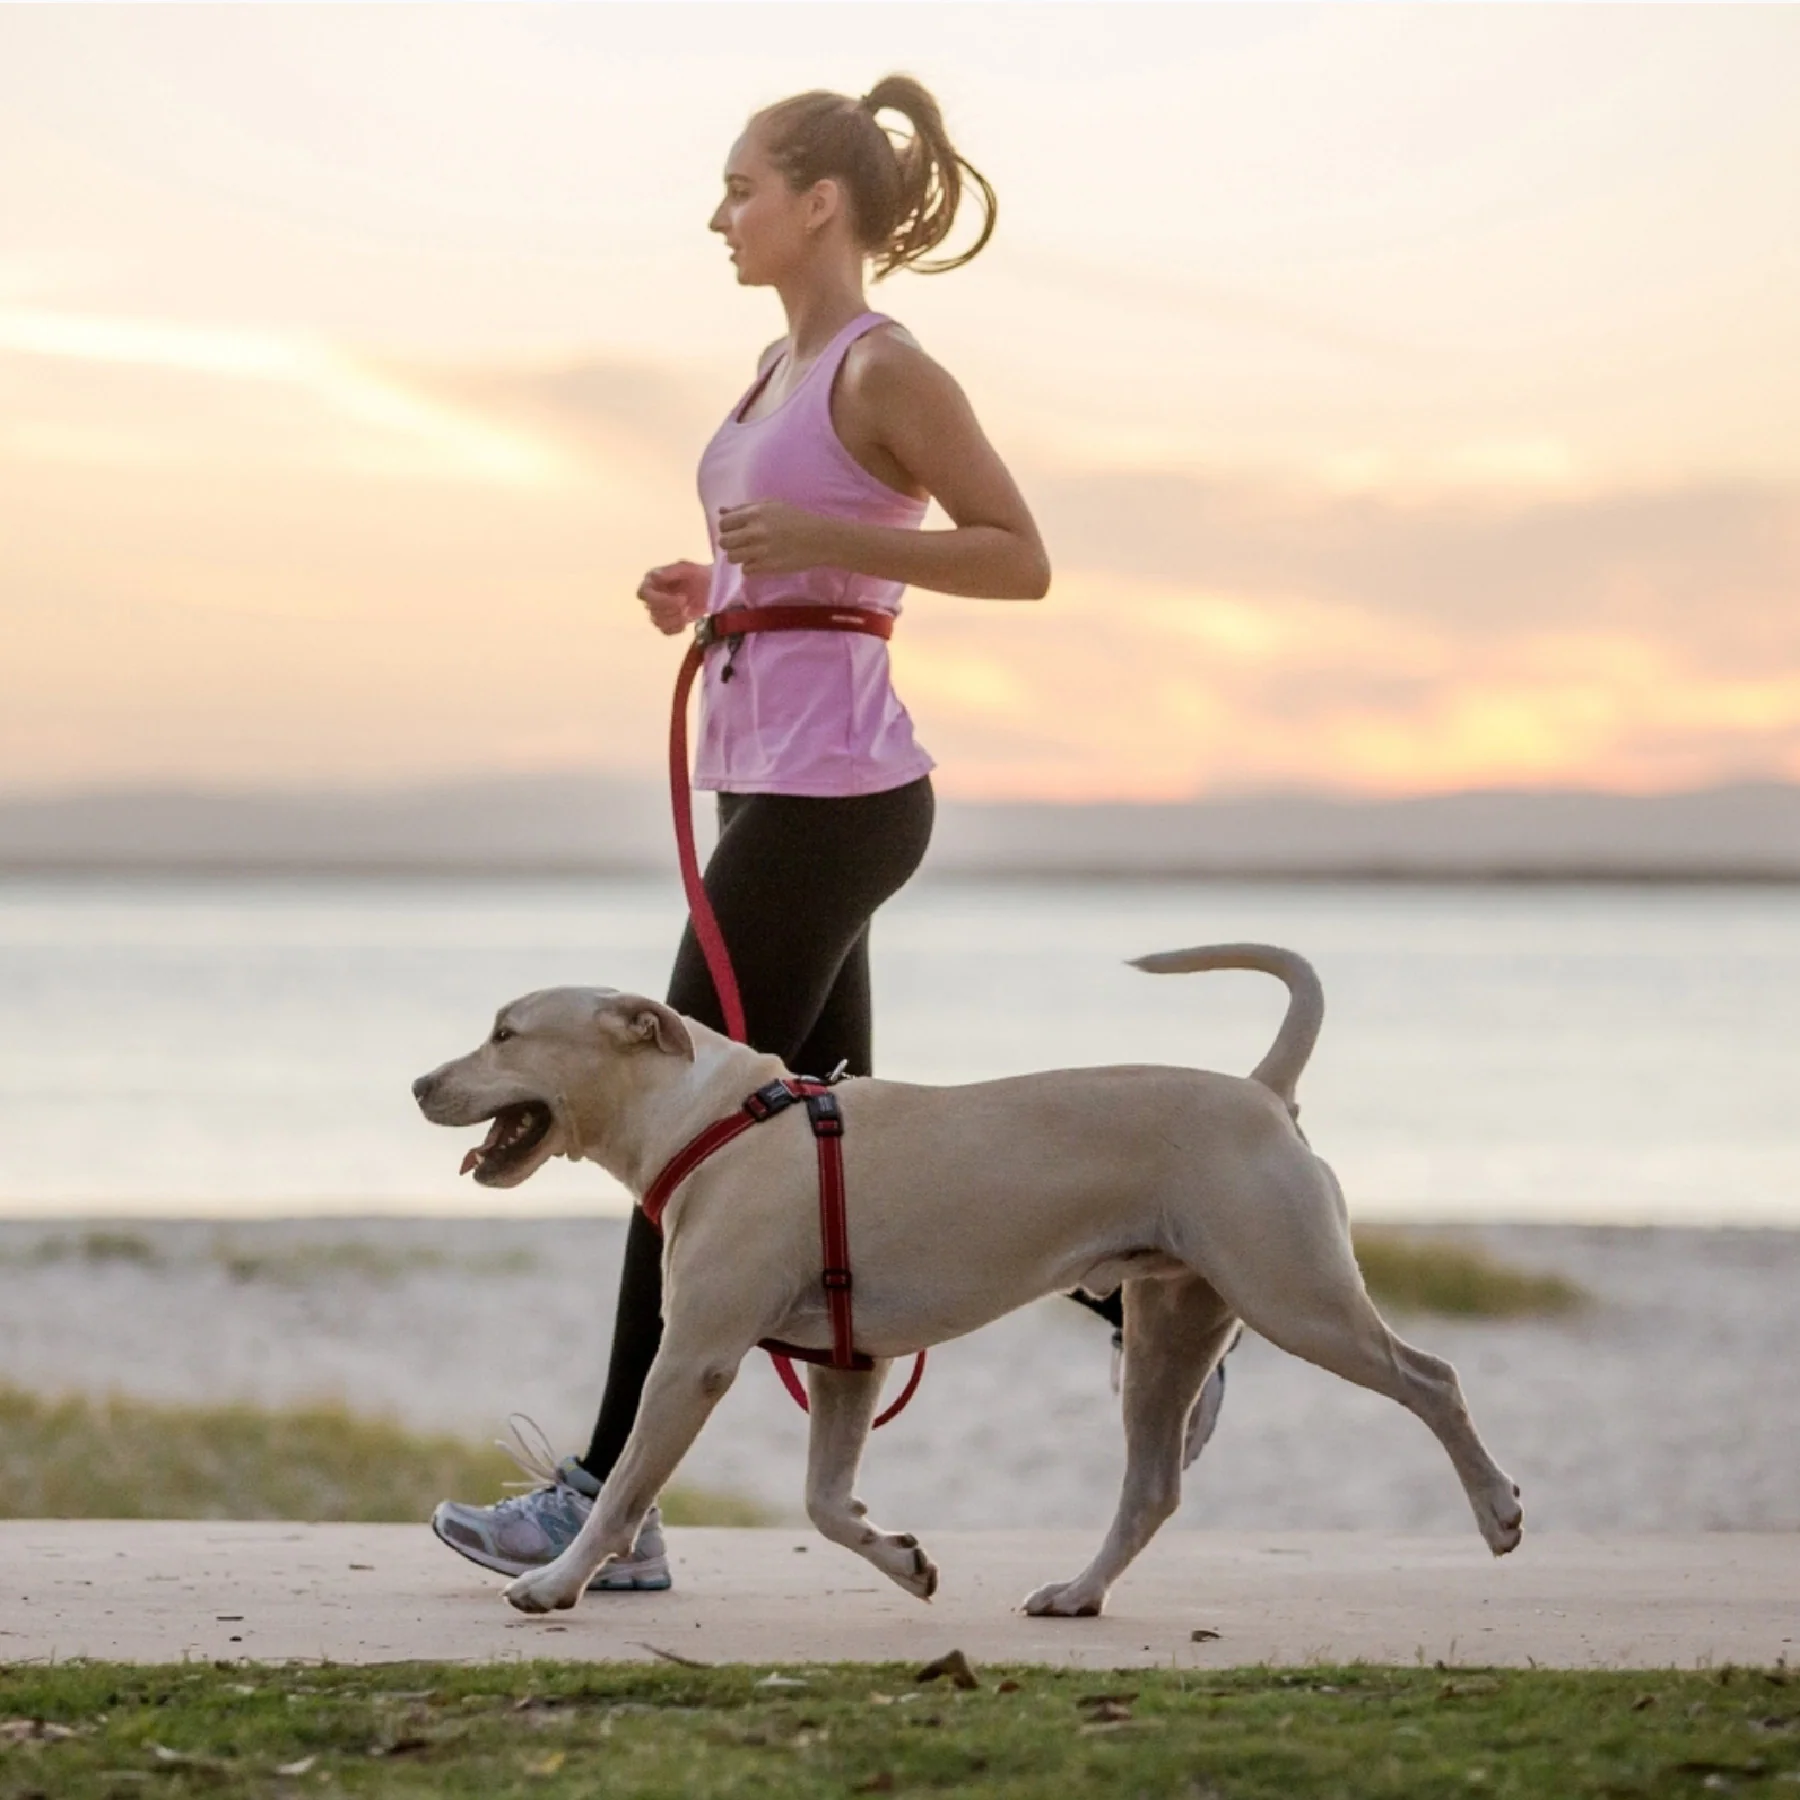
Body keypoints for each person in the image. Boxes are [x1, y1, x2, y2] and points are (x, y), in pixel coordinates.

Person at [432, 74, 1226, 1592]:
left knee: (675, 1142)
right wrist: (716, 591)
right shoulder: (767, 370)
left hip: (836, 802)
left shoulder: (884, 369)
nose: (719, 213)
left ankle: (604, 1503)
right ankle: (1142, 1297)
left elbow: (1020, 558)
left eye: (740, 186)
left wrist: (826, 542)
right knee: (834, 1162)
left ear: (819, 202)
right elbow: (797, 572)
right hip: (770, 785)